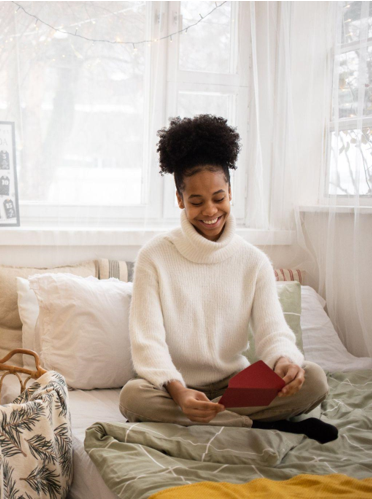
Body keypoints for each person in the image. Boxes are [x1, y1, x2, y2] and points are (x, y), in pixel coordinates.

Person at [119, 115, 338, 443]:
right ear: (180, 200)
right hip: (173, 388)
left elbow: (272, 333)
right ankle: (261, 424)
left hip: (236, 388)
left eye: (218, 197)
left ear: (231, 192)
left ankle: (213, 419)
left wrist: (285, 362)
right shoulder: (154, 257)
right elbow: (147, 343)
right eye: (196, 201)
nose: (210, 211)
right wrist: (179, 393)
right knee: (131, 396)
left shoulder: (254, 262)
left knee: (315, 378)